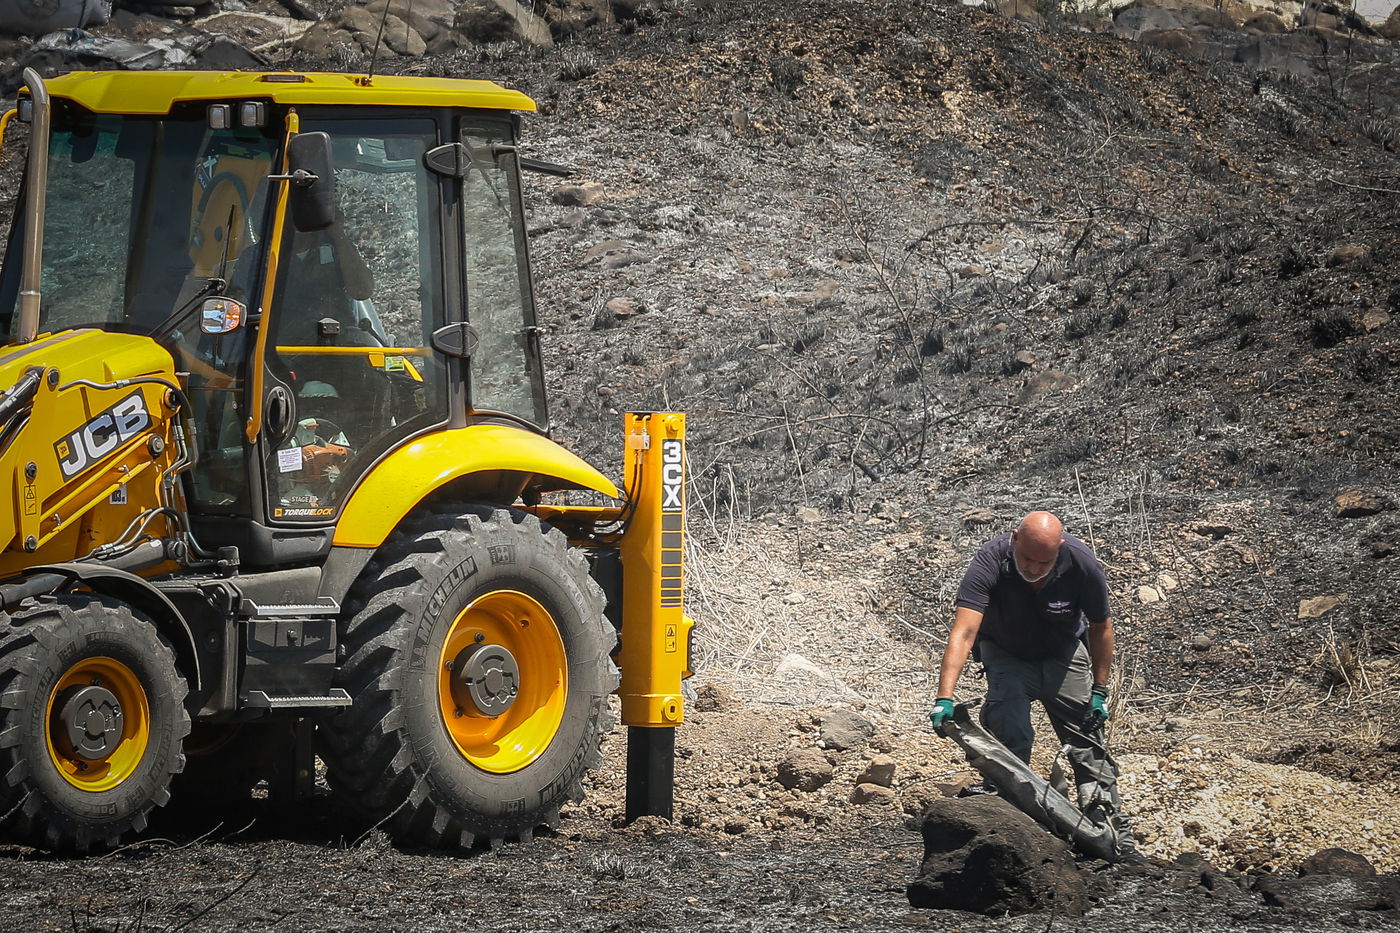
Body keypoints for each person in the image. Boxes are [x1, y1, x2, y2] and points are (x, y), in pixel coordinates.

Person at [930, 510, 1132, 848]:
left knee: (1087, 739)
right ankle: (1008, 822)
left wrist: (1100, 690)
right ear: (1014, 538)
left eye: (1045, 562)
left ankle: (1109, 829)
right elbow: (964, 632)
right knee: (1009, 733)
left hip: (1063, 654)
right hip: (1007, 654)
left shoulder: (1081, 563)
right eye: (1027, 559)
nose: (1034, 568)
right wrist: (944, 697)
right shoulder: (990, 561)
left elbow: (1101, 627)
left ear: (1060, 549)